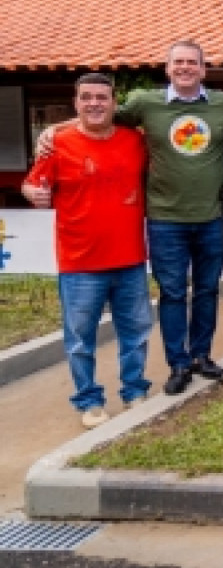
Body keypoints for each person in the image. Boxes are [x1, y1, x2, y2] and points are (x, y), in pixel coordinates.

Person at [51, 40, 223, 396]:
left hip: (211, 216)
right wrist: (54, 129)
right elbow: (97, 114)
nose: (184, 68)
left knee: (208, 290)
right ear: (167, 69)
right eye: (177, 62)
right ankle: (178, 363)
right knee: (172, 293)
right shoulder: (145, 103)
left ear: (203, 69)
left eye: (191, 63)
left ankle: (202, 355)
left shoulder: (221, 104)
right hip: (165, 219)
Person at [23, 74, 153, 428]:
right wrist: (31, 193)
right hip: (79, 262)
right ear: (76, 103)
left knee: (136, 332)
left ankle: (134, 391)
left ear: (114, 103)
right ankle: (89, 400)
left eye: (102, 97)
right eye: (87, 98)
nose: (95, 104)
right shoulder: (58, 144)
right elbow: (33, 184)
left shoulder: (135, 142)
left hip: (129, 258)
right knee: (80, 338)